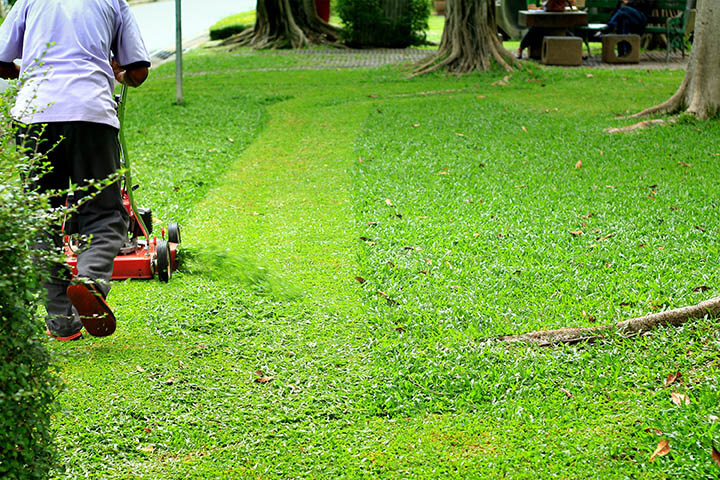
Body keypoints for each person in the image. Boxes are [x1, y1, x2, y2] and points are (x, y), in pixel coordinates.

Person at [0, 0, 151, 340]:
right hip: (91, 114)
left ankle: (61, 321)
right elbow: (138, 71)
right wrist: (118, 72)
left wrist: (20, 71)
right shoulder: (114, 2)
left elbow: (0, 59)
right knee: (106, 214)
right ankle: (91, 278)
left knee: (43, 218)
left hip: (35, 117)